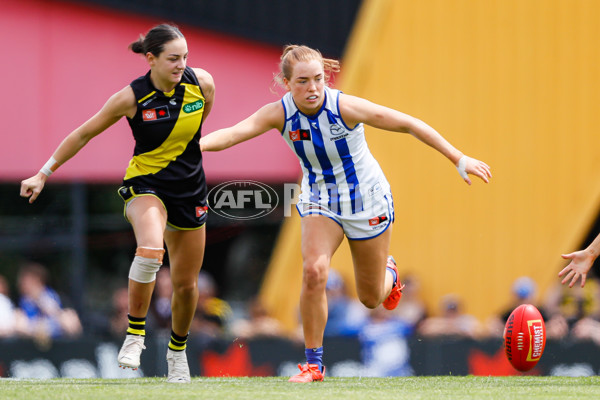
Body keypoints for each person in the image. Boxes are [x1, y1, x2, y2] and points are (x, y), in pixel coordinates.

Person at [200, 44, 492, 382]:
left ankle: (390, 274)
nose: (312, 88)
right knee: (314, 272)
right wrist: (193, 146)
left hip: (366, 201)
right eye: (302, 82)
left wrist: (459, 158)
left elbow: (408, 124)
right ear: (285, 82)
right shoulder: (277, 113)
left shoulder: (344, 107)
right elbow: (233, 134)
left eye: (318, 80)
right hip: (319, 199)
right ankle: (313, 364)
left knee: (371, 299)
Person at [19, 24, 215, 383]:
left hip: (190, 190)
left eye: (185, 57)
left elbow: (199, 125)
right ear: (151, 59)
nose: (181, 65)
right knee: (151, 249)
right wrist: (43, 173)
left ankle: (177, 353)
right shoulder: (131, 97)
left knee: (187, 286)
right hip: (146, 185)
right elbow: (84, 133)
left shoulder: (202, 83)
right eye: (173, 58)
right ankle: (135, 334)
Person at [16, 262, 82, 341]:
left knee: (69, 317)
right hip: (32, 335)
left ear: (37, 280)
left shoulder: (49, 295)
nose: (22, 283)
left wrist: (40, 300)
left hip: (54, 333)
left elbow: (57, 315)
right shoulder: (24, 300)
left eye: (26, 280)